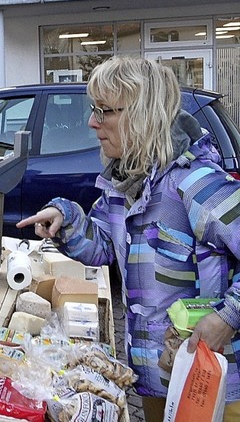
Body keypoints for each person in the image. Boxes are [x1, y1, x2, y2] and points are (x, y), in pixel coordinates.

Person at [17, 57, 240, 420]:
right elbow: (103, 245)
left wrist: (228, 317)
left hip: (214, 391)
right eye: (94, 109)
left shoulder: (195, 184)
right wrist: (67, 218)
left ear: (142, 114)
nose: (92, 122)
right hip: (160, 381)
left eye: (104, 111)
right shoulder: (126, 184)